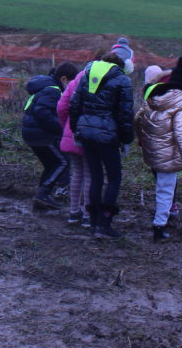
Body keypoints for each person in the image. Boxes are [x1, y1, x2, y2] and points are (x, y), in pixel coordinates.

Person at [69, 47, 135, 238]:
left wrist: (76, 129)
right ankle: (105, 224)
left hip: (86, 133)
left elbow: (74, 104)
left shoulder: (87, 76)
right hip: (108, 136)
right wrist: (127, 139)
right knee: (114, 178)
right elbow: (125, 114)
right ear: (120, 66)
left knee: (96, 177)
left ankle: (93, 223)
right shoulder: (123, 80)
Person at [136, 56, 182, 241]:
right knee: (166, 189)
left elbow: (138, 119)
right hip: (169, 152)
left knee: (161, 186)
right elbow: (181, 132)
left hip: (153, 150)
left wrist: (142, 139)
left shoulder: (154, 96)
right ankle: (159, 227)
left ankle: (162, 220)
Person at [21, 62, 78, 209]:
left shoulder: (46, 87)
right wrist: (61, 130)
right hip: (42, 135)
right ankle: (43, 193)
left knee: (51, 164)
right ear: (64, 79)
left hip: (31, 133)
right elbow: (42, 112)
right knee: (62, 162)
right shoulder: (53, 91)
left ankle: (42, 197)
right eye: (72, 82)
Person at [57, 64, 92, 228]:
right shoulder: (95, 85)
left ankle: (73, 212)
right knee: (89, 175)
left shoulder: (72, 84)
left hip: (71, 134)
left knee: (76, 173)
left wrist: (67, 127)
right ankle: (87, 214)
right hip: (90, 136)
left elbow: (61, 108)